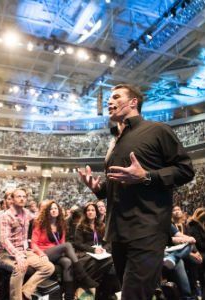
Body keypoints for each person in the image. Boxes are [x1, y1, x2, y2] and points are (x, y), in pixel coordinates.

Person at [79, 83, 195, 300]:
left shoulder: (157, 130)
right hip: (118, 234)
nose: (109, 102)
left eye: (116, 97)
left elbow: (186, 170)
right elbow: (120, 182)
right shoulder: (114, 143)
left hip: (147, 231)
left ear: (133, 102)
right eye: (109, 99)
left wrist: (147, 176)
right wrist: (99, 189)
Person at [31, 200, 98, 300]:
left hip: (56, 253)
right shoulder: (40, 223)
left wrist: (63, 254)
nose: (54, 210)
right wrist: (41, 254)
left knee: (67, 262)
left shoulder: (60, 225)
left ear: (59, 211)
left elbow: (61, 243)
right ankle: (83, 275)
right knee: (67, 245)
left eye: (55, 208)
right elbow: (33, 243)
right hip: (43, 252)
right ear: (47, 211)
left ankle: (69, 297)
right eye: (51, 209)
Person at [0, 188, 55, 300]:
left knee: (49, 267)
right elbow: (4, 240)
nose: (22, 199)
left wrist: (51, 210)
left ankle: (25, 293)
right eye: (19, 196)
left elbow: (40, 218)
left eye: (24, 197)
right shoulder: (6, 216)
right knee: (20, 267)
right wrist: (18, 256)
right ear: (12, 199)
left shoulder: (27, 213)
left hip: (24, 251)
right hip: (6, 253)